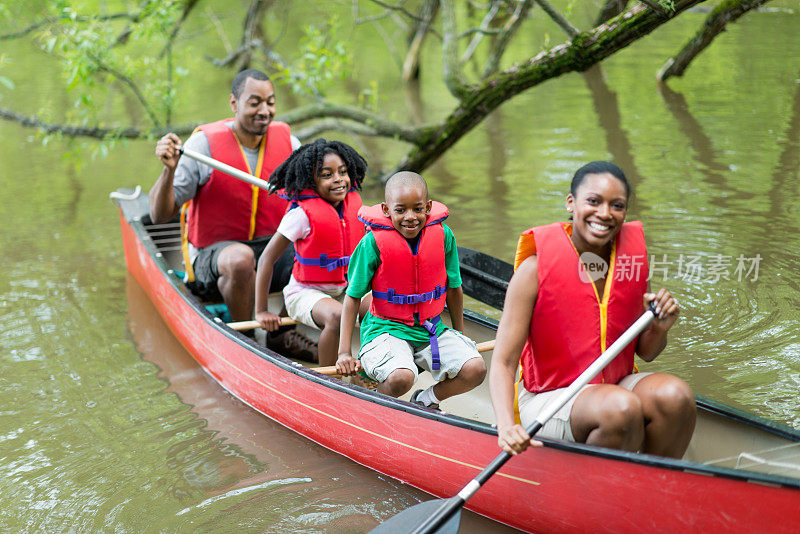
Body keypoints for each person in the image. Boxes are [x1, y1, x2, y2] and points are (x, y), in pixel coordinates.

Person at [489, 161, 696, 458]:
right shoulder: (534, 270)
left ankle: (652, 489)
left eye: (617, 205)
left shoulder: (629, 264)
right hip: (549, 397)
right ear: (571, 203)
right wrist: (506, 427)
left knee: (676, 397)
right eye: (594, 201)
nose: (604, 213)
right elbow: (503, 362)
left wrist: (660, 328)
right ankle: (601, 493)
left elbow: (646, 353)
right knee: (620, 409)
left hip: (613, 387)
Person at [150, 68, 299, 324]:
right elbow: (159, 215)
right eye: (255, 103)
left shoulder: (290, 144)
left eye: (270, 103)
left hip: (269, 251)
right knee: (240, 259)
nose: (264, 110)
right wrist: (169, 170)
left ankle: (284, 333)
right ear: (234, 103)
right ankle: (247, 336)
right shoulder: (202, 146)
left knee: (323, 246)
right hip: (216, 258)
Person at [337, 171, 487, 409]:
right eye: (400, 210)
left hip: (430, 329)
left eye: (418, 209)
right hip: (386, 330)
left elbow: (454, 289)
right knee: (401, 377)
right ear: (386, 210)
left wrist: (460, 333)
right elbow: (353, 297)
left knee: (475, 369)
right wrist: (344, 352)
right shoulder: (372, 242)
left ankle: (426, 400)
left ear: (428, 207)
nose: (411, 217)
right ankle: (376, 410)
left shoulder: (443, 235)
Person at [255, 139, 371, 366]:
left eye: (343, 172)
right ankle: (328, 376)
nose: (338, 179)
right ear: (311, 181)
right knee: (337, 317)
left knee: (382, 307)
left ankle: (374, 364)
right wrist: (261, 311)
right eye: (327, 175)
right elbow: (267, 258)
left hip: (346, 287)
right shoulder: (301, 215)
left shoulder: (355, 206)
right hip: (304, 292)